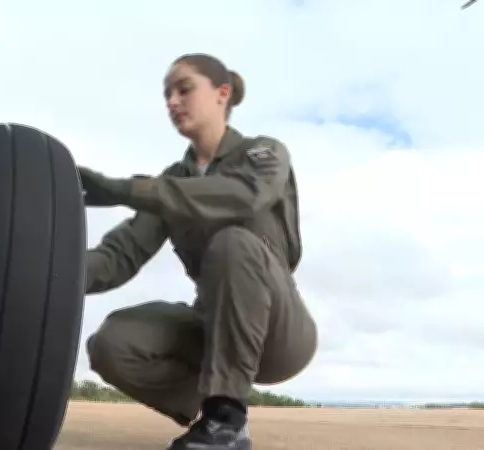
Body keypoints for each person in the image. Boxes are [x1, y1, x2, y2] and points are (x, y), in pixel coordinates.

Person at [77, 53, 318, 450]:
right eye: (167, 95)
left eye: (184, 89)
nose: (172, 102)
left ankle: (226, 419)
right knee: (113, 343)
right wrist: (41, 271)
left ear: (222, 93)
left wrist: (124, 190)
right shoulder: (173, 181)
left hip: (279, 331)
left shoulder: (264, 153)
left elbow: (245, 195)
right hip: (212, 330)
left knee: (234, 242)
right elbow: (118, 258)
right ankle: (217, 413)